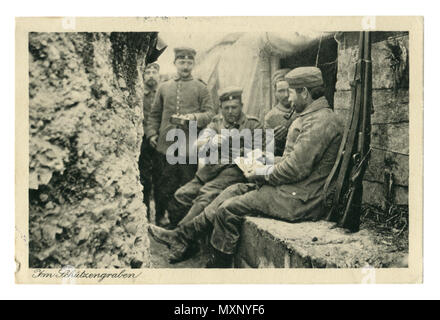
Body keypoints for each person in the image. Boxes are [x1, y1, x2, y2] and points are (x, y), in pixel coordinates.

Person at [148, 66, 344, 267]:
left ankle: (219, 267)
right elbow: (293, 162)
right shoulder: (313, 117)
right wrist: (266, 160)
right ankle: (181, 237)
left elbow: (294, 169)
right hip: (293, 190)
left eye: (292, 92)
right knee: (232, 191)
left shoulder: (318, 121)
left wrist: (259, 172)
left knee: (228, 209)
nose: (289, 99)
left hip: (301, 199)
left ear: (304, 92)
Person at [165, 86, 263, 232]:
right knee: (182, 195)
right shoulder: (217, 122)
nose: (230, 111)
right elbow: (199, 143)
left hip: (235, 171)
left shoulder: (253, 124)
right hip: (211, 170)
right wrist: (210, 141)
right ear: (220, 108)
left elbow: (260, 154)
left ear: (242, 106)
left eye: (234, 107)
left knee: (205, 195)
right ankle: (180, 230)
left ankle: (179, 235)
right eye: (226, 108)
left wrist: (239, 149)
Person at [145, 47, 215, 226]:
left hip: (188, 145)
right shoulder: (164, 87)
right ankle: (161, 219)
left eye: (189, 62)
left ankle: (181, 222)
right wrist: (152, 133)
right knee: (163, 184)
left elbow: (209, 114)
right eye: (182, 62)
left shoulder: (201, 88)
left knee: (186, 185)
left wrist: (194, 117)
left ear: (193, 64)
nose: (185, 66)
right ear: (175, 63)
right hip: (165, 145)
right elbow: (154, 115)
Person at [139, 62, 160, 221]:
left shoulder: (162, 93)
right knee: (145, 179)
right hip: (144, 143)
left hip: (161, 142)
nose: (151, 75)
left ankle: (160, 216)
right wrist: (149, 135)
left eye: (154, 72)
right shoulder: (139, 94)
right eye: (148, 72)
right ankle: (144, 215)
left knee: (161, 179)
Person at [264, 68, 298, 156]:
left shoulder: (301, 110)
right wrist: (277, 140)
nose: (286, 95)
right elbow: (268, 151)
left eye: (288, 90)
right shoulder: (270, 117)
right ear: (275, 92)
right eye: (281, 91)